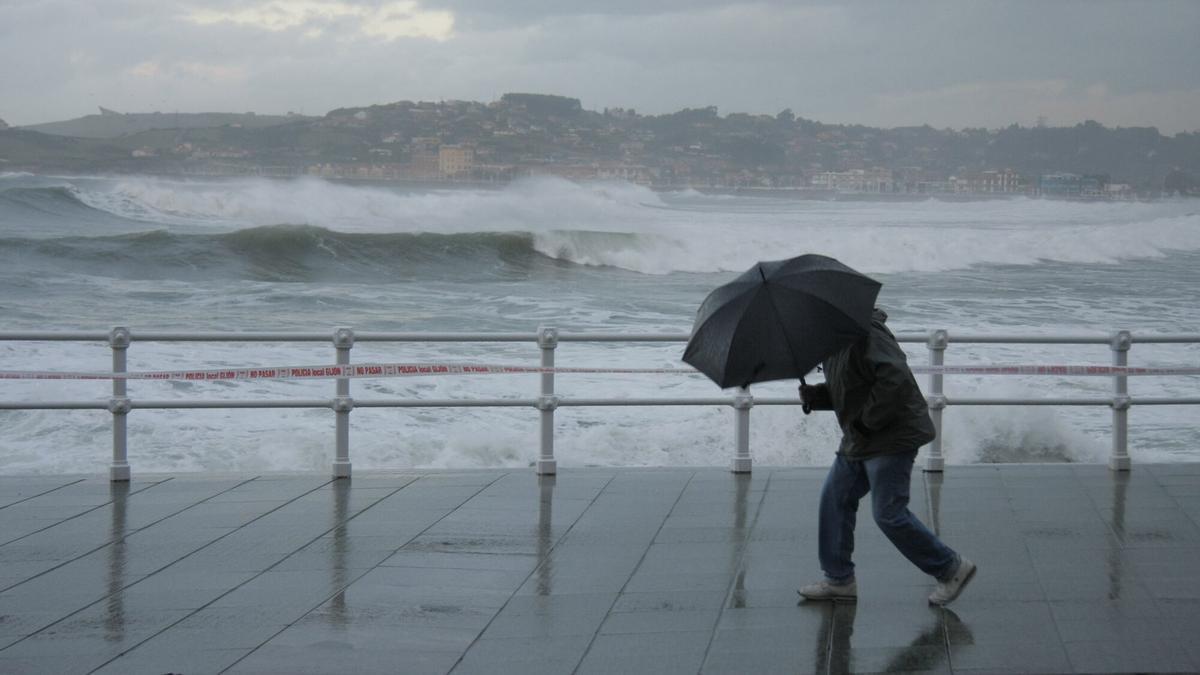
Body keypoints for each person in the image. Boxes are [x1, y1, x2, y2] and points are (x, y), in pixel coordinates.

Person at [797, 307, 975, 606]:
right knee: (835, 499)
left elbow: (895, 377)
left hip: (892, 434)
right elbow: (851, 386)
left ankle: (951, 568)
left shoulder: (867, 331)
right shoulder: (832, 343)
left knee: (888, 513)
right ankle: (838, 580)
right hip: (861, 437)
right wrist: (818, 396)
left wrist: (867, 422)